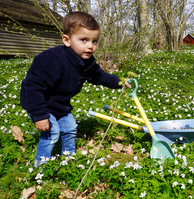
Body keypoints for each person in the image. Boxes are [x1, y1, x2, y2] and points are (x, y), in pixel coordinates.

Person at [20, 11, 130, 167]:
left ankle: (68, 160)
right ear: (67, 40)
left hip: (60, 103)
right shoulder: (50, 60)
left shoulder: (87, 62)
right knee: (52, 133)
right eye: (83, 40)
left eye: (94, 41)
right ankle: (40, 167)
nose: (90, 46)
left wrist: (119, 82)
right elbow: (33, 87)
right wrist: (39, 114)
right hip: (40, 102)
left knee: (70, 128)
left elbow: (99, 76)